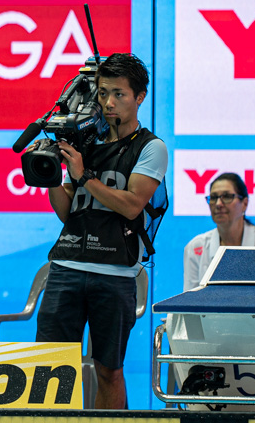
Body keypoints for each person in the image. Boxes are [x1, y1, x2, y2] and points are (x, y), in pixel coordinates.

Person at [35, 52, 168, 409]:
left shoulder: (151, 148)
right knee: (49, 366)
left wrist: (83, 176)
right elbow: (69, 214)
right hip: (67, 266)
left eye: (119, 94)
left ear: (139, 97)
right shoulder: (85, 143)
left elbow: (130, 205)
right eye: (103, 93)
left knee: (108, 370)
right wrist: (52, 175)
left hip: (115, 272)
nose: (109, 103)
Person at [183, 172, 255, 291]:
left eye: (227, 197)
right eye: (213, 198)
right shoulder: (196, 246)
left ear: (244, 203)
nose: (218, 204)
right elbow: (190, 302)